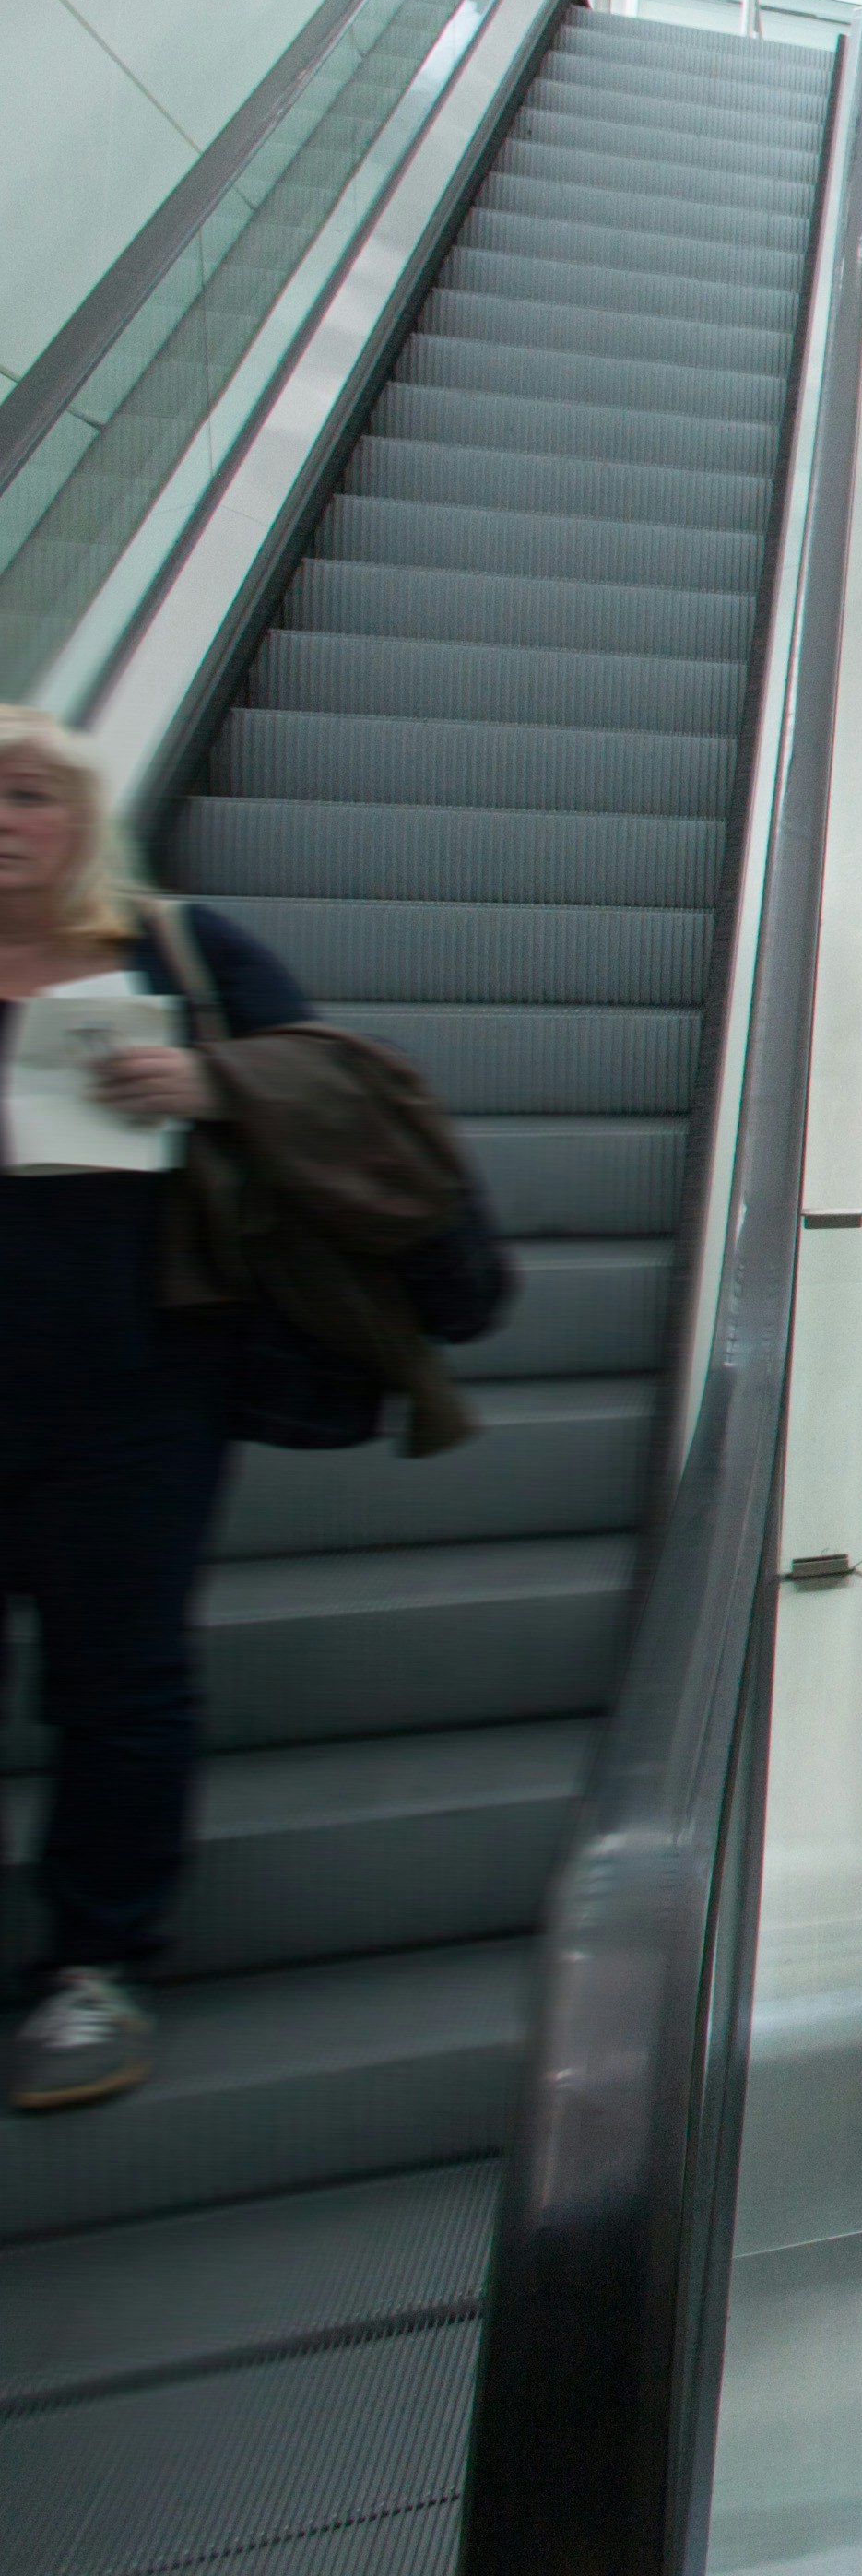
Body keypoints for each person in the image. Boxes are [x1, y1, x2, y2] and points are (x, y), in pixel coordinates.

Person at [0, 707, 308, 2111]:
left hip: (134, 1387)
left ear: (81, 817)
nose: (5, 822)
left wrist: (212, 1078)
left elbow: (335, 1088)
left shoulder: (178, 954)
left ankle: (95, 1963)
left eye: (27, 796)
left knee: (120, 1671)